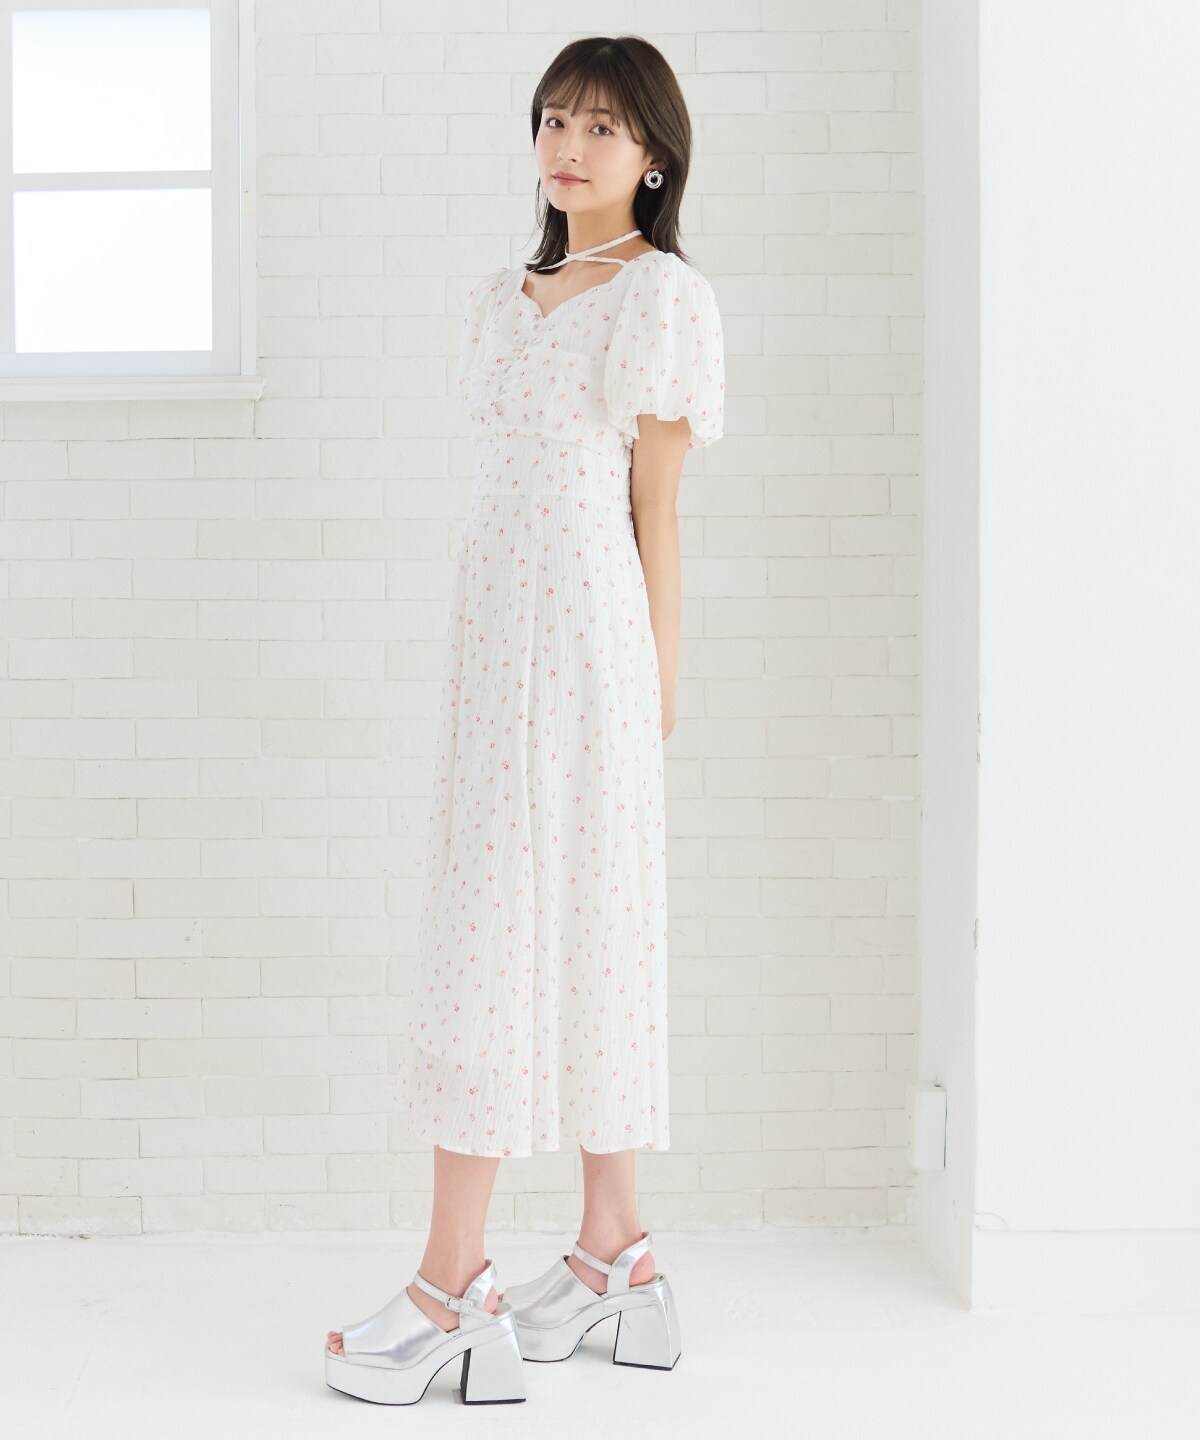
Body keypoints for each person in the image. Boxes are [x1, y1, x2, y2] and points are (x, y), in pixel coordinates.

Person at [325, 34, 725, 1404]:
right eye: (555, 119)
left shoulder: (662, 298)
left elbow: (657, 511)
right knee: (507, 930)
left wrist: (655, 692)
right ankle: (618, 1255)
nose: (569, 146)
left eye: (602, 126)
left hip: (591, 655)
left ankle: (453, 1284)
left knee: (535, 936)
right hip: (493, 655)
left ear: (653, 155)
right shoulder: (503, 299)